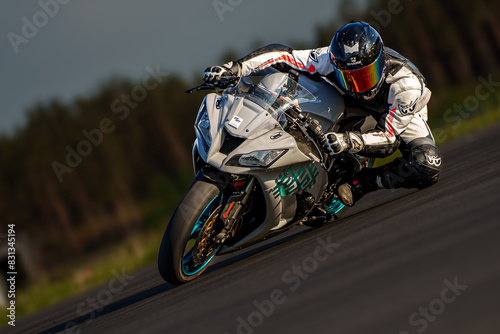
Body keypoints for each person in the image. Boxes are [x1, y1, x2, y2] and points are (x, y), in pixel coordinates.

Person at [203, 21, 441, 206]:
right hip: (343, 100)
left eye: (364, 75)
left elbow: (389, 139)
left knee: (427, 165)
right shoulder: (327, 58)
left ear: (380, 63)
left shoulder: (407, 87)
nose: (359, 85)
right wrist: (235, 68)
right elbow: (283, 56)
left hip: (395, 110)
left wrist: (348, 141)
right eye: (350, 76)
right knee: (292, 88)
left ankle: (361, 184)